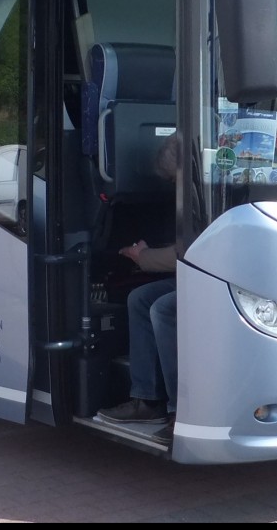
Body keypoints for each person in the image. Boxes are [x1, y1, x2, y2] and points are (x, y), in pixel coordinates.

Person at [96, 133, 180, 443]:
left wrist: (141, 256)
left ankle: (178, 411)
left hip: (215, 278)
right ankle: (146, 399)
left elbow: (185, 253)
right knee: (140, 299)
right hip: (196, 273)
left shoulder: (207, 191)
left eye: (174, 179)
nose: (174, 187)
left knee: (165, 308)